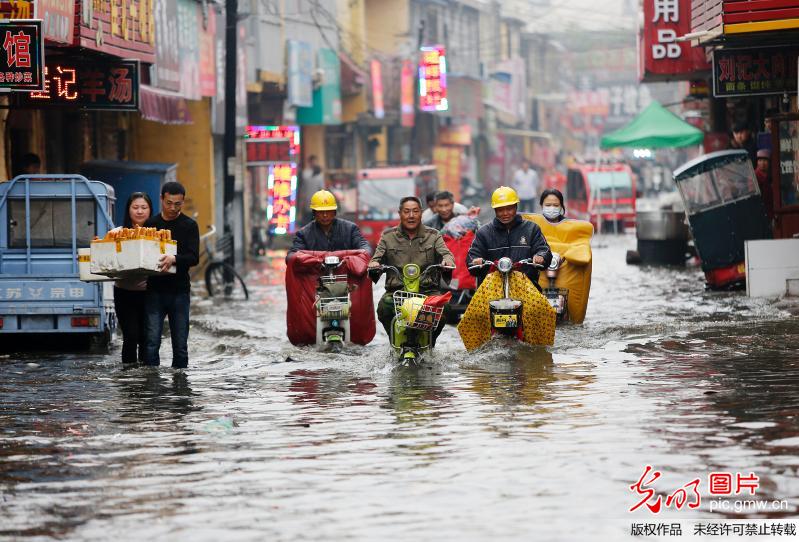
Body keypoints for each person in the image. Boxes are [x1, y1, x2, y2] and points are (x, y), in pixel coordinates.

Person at [368, 196, 455, 343]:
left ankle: (430, 341)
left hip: (427, 291)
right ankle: (394, 341)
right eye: (407, 211)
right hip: (397, 292)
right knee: (383, 307)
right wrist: (374, 264)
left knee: (444, 308)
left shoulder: (433, 235)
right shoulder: (388, 236)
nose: (411, 216)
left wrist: (447, 261)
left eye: (415, 211)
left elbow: (447, 254)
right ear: (400, 213)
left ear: (421, 213)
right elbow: (376, 258)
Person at [143, 182, 200, 369]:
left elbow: (193, 257)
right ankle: (151, 386)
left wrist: (174, 258)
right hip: (154, 291)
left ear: (183, 202)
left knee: (180, 345)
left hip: (179, 291)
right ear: (161, 199)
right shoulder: (151, 224)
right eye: (169, 203)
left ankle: (181, 389)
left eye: (178, 204)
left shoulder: (189, 225)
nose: (173, 208)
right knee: (151, 342)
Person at [468, 186, 552, 287]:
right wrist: (476, 261)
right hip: (491, 289)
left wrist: (541, 256)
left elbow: (544, 250)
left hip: (527, 287)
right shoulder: (483, 232)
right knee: (476, 303)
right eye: (500, 210)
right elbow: (472, 256)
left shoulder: (531, 229)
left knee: (541, 303)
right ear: (495, 210)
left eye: (509, 209)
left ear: (516, 207)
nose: (505, 213)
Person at [114, 192, 153, 365]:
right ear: (128, 210)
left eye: (144, 207)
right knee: (130, 336)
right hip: (124, 293)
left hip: (150, 293)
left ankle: (146, 378)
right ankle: (128, 378)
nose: (139, 211)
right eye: (135, 207)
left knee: (147, 337)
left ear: (150, 210)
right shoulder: (116, 234)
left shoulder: (159, 234)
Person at [287, 190, 372, 258]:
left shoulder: (350, 229)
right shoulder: (303, 234)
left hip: (346, 275)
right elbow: (293, 254)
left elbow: (363, 246)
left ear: (335, 212)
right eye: (321, 212)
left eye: (328, 211)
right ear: (314, 213)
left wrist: (365, 252)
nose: (325, 215)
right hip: (316, 276)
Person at [301, 155, 325, 223]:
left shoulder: (320, 173)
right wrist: (302, 199)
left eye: (315, 162)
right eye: (312, 162)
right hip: (307, 199)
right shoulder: (305, 173)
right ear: (309, 162)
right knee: (308, 218)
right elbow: (303, 187)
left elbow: (322, 188)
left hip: (317, 199)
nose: (313, 163)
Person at [755, 149, 774, 221]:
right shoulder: (755, 176)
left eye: (765, 160)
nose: (762, 163)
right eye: (760, 160)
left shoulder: (772, 174)